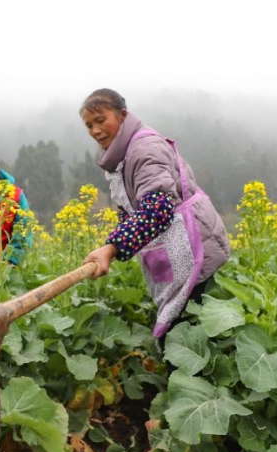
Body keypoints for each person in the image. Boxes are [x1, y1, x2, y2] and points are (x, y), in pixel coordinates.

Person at [79, 89, 230, 340]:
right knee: (180, 331)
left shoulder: (145, 149)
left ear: (123, 115)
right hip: (176, 247)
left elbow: (158, 208)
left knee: (184, 337)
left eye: (101, 120)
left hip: (196, 248)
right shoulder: (124, 155)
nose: (95, 130)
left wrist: (112, 247)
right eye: (89, 125)